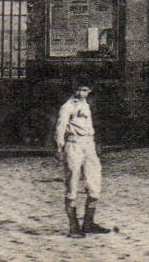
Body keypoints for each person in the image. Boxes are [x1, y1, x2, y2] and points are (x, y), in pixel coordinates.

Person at [54, 81, 110, 237]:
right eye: (79, 90)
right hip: (74, 144)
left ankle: (88, 223)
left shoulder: (87, 105)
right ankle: (73, 227)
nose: (81, 93)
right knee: (72, 183)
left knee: (94, 182)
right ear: (74, 90)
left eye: (85, 90)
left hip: (88, 144)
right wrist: (59, 147)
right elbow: (60, 127)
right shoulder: (67, 106)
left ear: (89, 91)